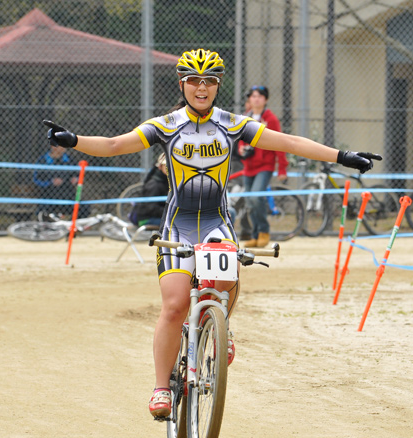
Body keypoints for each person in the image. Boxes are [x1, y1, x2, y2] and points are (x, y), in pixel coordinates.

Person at [42, 48, 380, 419]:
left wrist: (342, 156)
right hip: (178, 223)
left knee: (224, 282)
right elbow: (114, 145)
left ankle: (222, 327)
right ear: (182, 84)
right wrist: (73, 140)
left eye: (210, 82)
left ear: (217, 86)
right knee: (173, 306)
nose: (201, 88)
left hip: (217, 221)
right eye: (194, 81)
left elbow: (290, 143)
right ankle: (160, 387)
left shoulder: (231, 123)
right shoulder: (166, 124)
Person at [236, 85, 288, 247]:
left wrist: (282, 167)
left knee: (256, 197)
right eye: (253, 96)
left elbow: (280, 143)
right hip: (249, 165)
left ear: (265, 99)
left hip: (265, 165)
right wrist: (241, 148)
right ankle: (255, 234)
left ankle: (264, 231)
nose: (256, 99)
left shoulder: (271, 119)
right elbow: (241, 140)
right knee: (250, 202)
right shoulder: (247, 117)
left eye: (259, 96)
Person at [33, 144, 81, 216]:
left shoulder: (70, 159)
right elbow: (36, 179)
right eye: (61, 145)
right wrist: (51, 182)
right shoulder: (43, 160)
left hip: (67, 192)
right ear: (53, 146)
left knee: (82, 208)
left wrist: (76, 179)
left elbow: (77, 174)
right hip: (48, 193)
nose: (64, 147)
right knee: (44, 209)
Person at [128, 153, 169, 227]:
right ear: (160, 166)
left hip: (156, 216)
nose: (169, 168)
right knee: (173, 224)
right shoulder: (154, 184)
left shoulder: (166, 181)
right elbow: (150, 207)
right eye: (166, 166)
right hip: (145, 219)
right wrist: (168, 212)